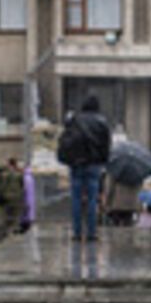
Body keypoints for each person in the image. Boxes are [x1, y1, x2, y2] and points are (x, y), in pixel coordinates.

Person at [57, 94, 112, 242]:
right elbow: (106, 146)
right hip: (94, 165)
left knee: (76, 198)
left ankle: (76, 232)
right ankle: (92, 233)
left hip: (76, 164)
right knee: (93, 199)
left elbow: (65, 139)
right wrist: (103, 162)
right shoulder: (102, 122)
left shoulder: (75, 120)